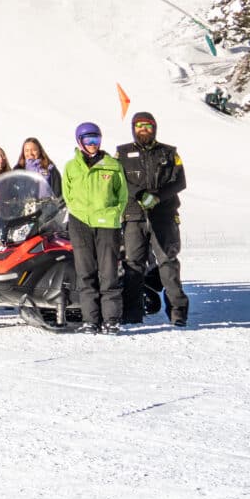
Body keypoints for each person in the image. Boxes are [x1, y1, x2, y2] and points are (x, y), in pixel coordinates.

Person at [116, 111, 189, 327]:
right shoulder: (122, 153)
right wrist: (139, 194)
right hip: (134, 217)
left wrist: (157, 196)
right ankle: (132, 313)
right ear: (133, 128)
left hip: (163, 216)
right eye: (139, 126)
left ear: (154, 128)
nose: (143, 130)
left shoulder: (169, 152)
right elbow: (119, 180)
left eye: (147, 126)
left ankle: (178, 313)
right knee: (133, 265)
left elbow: (180, 182)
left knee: (168, 262)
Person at [63, 123, 129, 335]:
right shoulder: (71, 167)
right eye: (88, 140)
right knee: (85, 273)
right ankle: (90, 319)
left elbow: (122, 195)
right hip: (80, 223)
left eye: (96, 140)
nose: (92, 144)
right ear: (79, 142)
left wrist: (114, 213)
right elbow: (67, 194)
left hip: (107, 224)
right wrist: (78, 211)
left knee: (108, 273)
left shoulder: (112, 165)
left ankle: (111, 319)